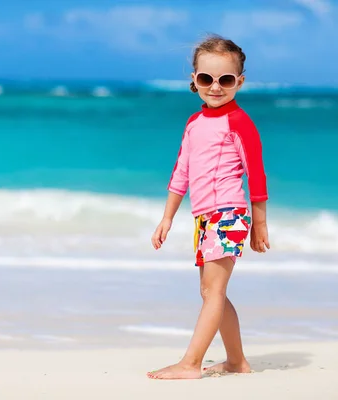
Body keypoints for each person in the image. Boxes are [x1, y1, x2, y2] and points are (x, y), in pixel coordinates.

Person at [147, 34, 270, 380]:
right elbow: (180, 172)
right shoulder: (194, 123)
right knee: (210, 291)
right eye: (206, 79)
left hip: (229, 214)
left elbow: (256, 174)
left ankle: (190, 364)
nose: (215, 87)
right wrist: (167, 218)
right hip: (204, 217)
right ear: (194, 80)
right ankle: (236, 361)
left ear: (239, 82)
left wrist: (259, 225)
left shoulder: (239, 122)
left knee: (212, 291)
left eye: (225, 80)